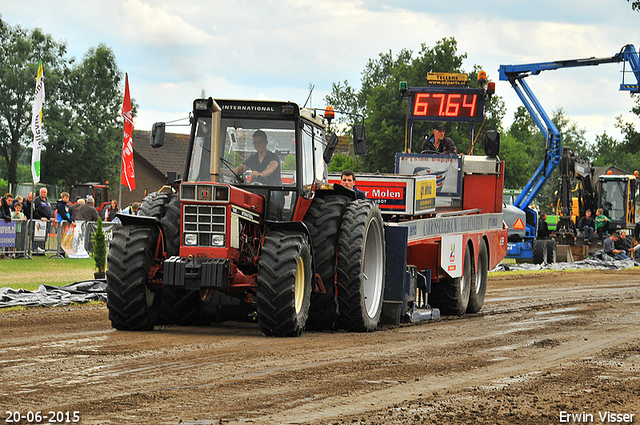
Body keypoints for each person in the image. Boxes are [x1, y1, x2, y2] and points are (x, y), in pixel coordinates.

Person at [32, 187, 53, 253]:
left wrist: (50, 218)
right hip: (39, 221)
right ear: (39, 192)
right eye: (42, 192)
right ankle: (35, 249)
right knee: (37, 235)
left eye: (45, 192)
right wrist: (40, 217)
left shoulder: (47, 200)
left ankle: (42, 248)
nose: (43, 193)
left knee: (45, 235)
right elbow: (34, 211)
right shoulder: (37, 200)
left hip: (46, 222)